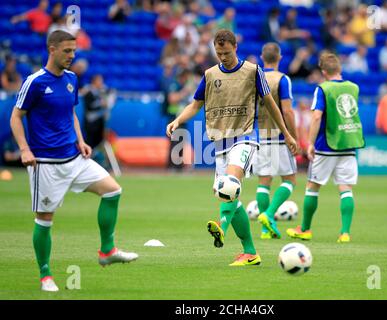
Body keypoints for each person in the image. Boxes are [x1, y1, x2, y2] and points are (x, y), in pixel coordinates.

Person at [9, 31, 138, 293]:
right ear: (52, 49)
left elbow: (70, 114)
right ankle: (45, 275)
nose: (72, 56)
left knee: (113, 191)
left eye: (74, 51)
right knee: (45, 220)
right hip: (46, 164)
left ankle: (106, 250)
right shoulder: (34, 82)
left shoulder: (71, 79)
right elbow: (15, 117)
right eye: (67, 51)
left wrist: (80, 140)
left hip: (75, 157)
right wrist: (24, 149)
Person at [166, 30, 298, 266]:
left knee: (229, 185)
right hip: (220, 143)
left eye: (226, 52)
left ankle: (222, 227)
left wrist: (287, 133)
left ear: (235, 47)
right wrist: (178, 121)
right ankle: (250, 253)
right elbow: (195, 105)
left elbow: (271, 105)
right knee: (230, 198)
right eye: (218, 53)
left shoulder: (252, 71)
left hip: (246, 137)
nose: (223, 57)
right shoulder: (209, 75)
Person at [286, 52, 365, 243]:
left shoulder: (323, 89)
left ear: (323, 71)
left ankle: (305, 229)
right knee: (345, 188)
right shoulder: (353, 87)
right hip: (349, 143)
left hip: (326, 145)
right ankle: (345, 232)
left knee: (312, 187)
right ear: (340, 69)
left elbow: (316, 116)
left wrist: (311, 143)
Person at [253, 43, 298, 240]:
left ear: (262, 57)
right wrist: (293, 135)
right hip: (280, 137)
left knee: (264, 182)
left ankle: (264, 231)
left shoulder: (254, 78)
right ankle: (269, 214)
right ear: (279, 58)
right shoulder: (283, 79)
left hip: (260, 136)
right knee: (289, 180)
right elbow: (287, 110)